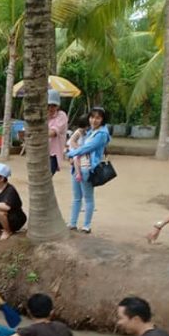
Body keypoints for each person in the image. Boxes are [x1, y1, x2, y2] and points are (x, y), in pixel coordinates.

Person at [66, 106, 111, 234]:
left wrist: (70, 154)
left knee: (88, 197)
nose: (94, 120)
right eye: (92, 117)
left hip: (88, 169)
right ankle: (72, 223)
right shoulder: (91, 131)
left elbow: (87, 148)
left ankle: (86, 225)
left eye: (98, 118)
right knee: (76, 197)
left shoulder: (102, 134)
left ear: (103, 119)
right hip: (78, 167)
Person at [47, 89, 69, 177]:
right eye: (48, 105)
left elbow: (52, 133)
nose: (50, 108)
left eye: (53, 105)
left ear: (57, 106)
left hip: (53, 156)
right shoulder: (43, 116)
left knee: (46, 179)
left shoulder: (61, 116)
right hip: (41, 153)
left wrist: (36, 133)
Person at [67, 114, 91, 187]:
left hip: (81, 149)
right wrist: (78, 148)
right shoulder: (78, 132)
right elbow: (72, 141)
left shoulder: (86, 132)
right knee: (76, 159)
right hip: (76, 149)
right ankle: (78, 173)